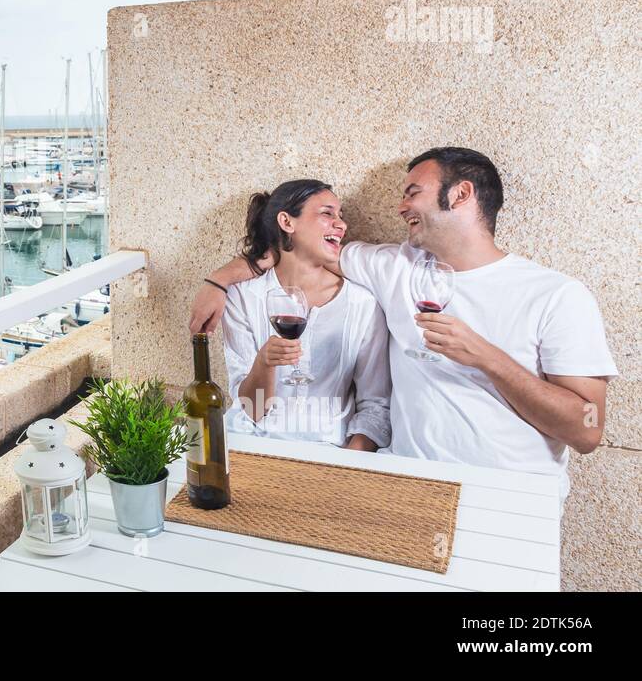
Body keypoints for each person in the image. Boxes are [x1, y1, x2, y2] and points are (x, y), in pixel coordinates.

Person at [191, 147, 615, 496]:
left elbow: (586, 431)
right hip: (406, 481)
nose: (401, 206)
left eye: (413, 192)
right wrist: (219, 281)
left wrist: (485, 357)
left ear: (461, 194)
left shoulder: (557, 295)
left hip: (511, 491)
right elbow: (297, 251)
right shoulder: (396, 269)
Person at [218, 180, 391, 450]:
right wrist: (264, 364)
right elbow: (251, 410)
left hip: (331, 451)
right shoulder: (244, 297)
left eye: (341, 216)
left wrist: (349, 465)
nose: (341, 224)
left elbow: (375, 405)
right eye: (327, 213)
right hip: (252, 445)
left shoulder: (362, 303)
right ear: (287, 222)